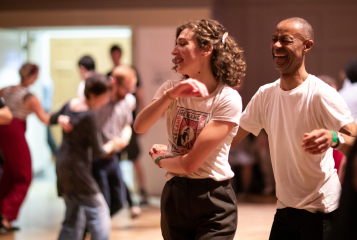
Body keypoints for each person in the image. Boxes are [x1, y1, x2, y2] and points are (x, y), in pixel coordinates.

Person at [231, 17, 357, 240]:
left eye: (286, 40)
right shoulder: (265, 95)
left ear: (307, 46)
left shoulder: (321, 94)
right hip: (285, 210)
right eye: (274, 39)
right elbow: (230, 139)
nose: (277, 46)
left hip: (321, 211)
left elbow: (354, 140)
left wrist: (334, 137)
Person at [134, 19, 246, 239]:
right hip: (174, 195)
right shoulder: (170, 89)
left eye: (182, 43)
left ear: (206, 49)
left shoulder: (227, 98)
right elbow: (140, 126)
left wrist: (160, 160)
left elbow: (190, 163)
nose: (174, 51)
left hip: (213, 199)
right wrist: (170, 96)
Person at [51, 73, 119, 240]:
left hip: (62, 164)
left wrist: (60, 118)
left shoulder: (70, 104)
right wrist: (112, 145)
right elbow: (98, 152)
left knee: (72, 216)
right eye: (106, 96)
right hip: (77, 169)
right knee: (99, 210)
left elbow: (51, 118)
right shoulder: (88, 117)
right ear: (94, 95)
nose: (107, 100)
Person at [0, 63, 51, 231]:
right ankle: (6, 214)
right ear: (33, 76)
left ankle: (2, 214)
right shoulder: (29, 97)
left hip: (1, 133)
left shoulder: (5, 90)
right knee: (24, 176)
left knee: (7, 175)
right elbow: (44, 118)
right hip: (15, 134)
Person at [92, 66, 140, 218]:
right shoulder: (100, 102)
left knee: (118, 202)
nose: (129, 92)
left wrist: (125, 138)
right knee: (102, 203)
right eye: (126, 88)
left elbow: (127, 125)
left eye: (132, 88)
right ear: (114, 83)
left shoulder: (126, 102)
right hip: (96, 159)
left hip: (113, 159)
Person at [108, 45, 148, 204]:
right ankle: (119, 196)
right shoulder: (108, 76)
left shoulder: (131, 74)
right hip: (113, 130)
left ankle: (142, 192)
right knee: (113, 162)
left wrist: (143, 122)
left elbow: (140, 97)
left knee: (135, 159)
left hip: (129, 126)